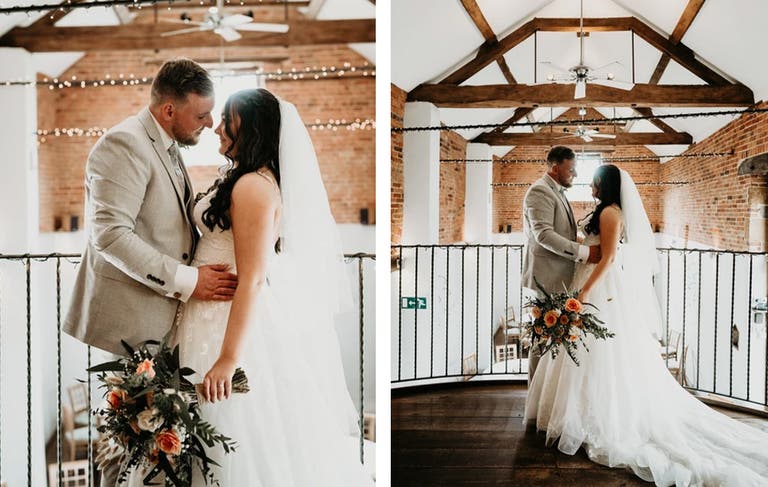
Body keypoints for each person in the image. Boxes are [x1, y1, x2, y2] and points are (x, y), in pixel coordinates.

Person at [136, 88, 374, 485]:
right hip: (201, 311)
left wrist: (229, 358)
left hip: (224, 320)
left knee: (229, 429)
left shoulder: (252, 188)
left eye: (227, 119)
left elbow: (253, 278)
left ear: (252, 127)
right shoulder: (240, 179)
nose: (216, 129)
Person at [525, 164, 768, 486]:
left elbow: (609, 257)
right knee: (585, 354)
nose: (592, 187)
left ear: (606, 186)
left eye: (596, 182)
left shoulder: (611, 213)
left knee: (599, 353)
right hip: (589, 282)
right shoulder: (604, 210)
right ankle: (582, 412)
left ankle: (598, 414)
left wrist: (583, 293)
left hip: (599, 288)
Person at [63, 58, 238, 487]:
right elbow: (110, 235)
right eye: (201, 115)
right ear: (168, 111)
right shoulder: (124, 144)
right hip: (129, 322)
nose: (210, 123)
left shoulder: (167, 145)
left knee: (157, 447)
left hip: (162, 322)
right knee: (125, 448)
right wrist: (189, 280)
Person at [522, 146, 600, 381]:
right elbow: (543, 235)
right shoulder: (540, 191)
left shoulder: (558, 191)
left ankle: (550, 391)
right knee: (544, 337)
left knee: (555, 337)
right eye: (571, 170)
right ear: (555, 168)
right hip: (547, 278)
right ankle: (536, 394)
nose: (575, 175)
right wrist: (585, 253)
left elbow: (560, 232)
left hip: (560, 277)